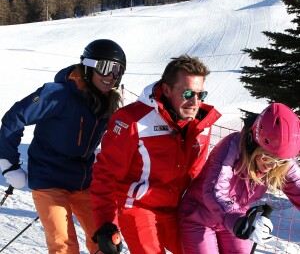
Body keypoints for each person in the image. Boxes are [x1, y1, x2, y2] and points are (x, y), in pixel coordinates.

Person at [0, 39, 126, 254]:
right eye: (105, 67)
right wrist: (9, 164)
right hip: (49, 180)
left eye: (117, 70)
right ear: (88, 66)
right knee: (64, 246)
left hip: (84, 182)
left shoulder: (108, 103)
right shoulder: (58, 94)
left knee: (107, 242)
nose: (111, 76)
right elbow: (14, 118)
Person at [90, 54, 221, 254]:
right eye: (187, 94)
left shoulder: (201, 124)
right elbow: (105, 173)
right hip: (138, 207)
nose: (195, 102)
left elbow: (198, 175)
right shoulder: (133, 120)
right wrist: (106, 223)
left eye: (200, 95)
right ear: (166, 90)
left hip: (176, 208)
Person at [178, 102, 300, 254]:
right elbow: (215, 191)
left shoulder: (280, 159)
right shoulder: (232, 147)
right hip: (199, 216)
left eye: (281, 162)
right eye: (267, 159)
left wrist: (241, 221)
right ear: (254, 145)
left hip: (235, 217)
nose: (274, 167)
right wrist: (239, 221)